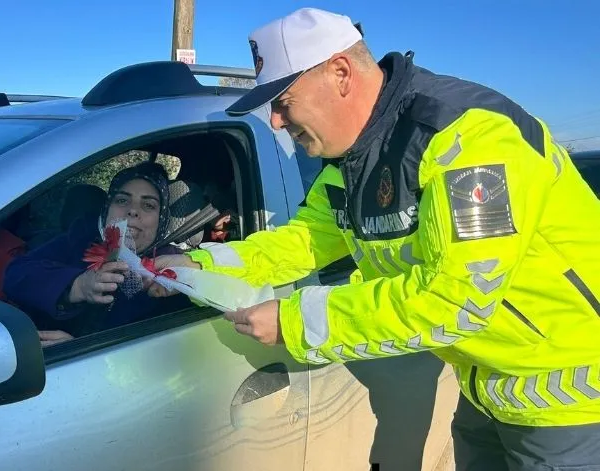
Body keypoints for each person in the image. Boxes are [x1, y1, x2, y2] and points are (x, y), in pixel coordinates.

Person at [148, 7, 600, 470]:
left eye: (283, 102)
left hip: (568, 403)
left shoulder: (467, 139)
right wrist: (201, 267)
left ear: (340, 73)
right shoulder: (353, 162)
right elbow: (302, 242)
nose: (277, 122)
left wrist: (295, 322)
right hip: (487, 390)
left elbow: (456, 302)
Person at [4, 162, 192, 339]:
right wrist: (77, 286)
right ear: (107, 209)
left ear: (161, 220)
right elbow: (14, 275)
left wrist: (75, 350)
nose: (133, 211)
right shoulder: (80, 238)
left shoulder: (173, 269)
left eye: (148, 205)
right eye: (122, 200)